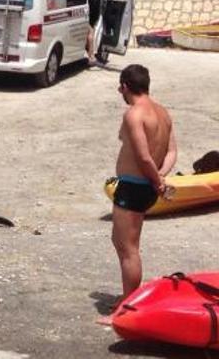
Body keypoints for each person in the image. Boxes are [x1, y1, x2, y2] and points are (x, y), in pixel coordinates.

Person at [100, 65, 176, 322]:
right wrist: (161, 177)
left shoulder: (134, 114)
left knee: (128, 249)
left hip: (135, 187)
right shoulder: (163, 113)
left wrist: (157, 183)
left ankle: (127, 309)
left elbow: (144, 157)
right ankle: (127, 298)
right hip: (143, 185)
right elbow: (172, 152)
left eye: (119, 87)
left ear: (125, 87)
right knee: (121, 243)